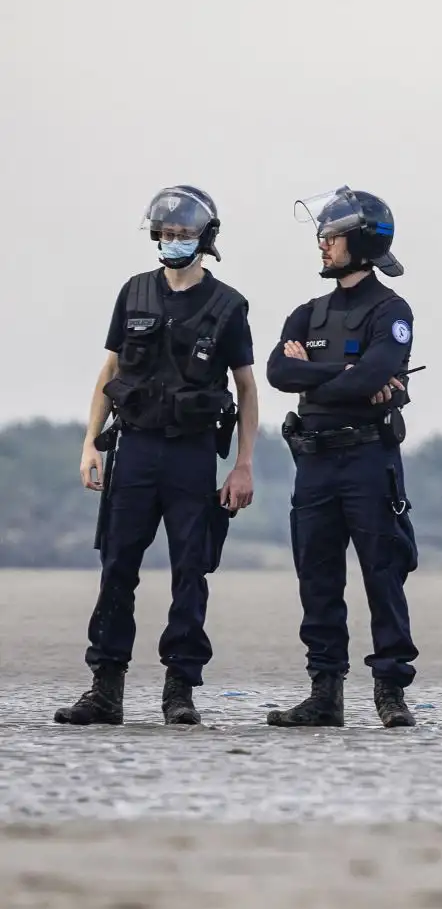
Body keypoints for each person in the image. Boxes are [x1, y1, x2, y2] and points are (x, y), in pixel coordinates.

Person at [56, 186, 258, 726]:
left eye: (184, 234)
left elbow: (246, 388)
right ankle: (105, 690)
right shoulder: (134, 293)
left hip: (192, 456)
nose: (173, 242)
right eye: (166, 234)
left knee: (190, 571)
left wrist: (243, 464)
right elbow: (110, 371)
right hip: (135, 450)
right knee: (117, 566)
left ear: (205, 238)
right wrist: (89, 443)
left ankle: (180, 690)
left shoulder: (229, 306)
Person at [264, 186, 421, 729]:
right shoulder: (307, 313)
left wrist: (327, 375)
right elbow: (278, 375)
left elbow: (378, 374)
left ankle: (391, 692)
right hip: (314, 463)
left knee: (384, 573)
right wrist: (347, 378)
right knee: (317, 577)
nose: (322, 247)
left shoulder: (391, 310)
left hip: (368, 461)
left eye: (330, 237)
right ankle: (324, 693)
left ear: (360, 241)